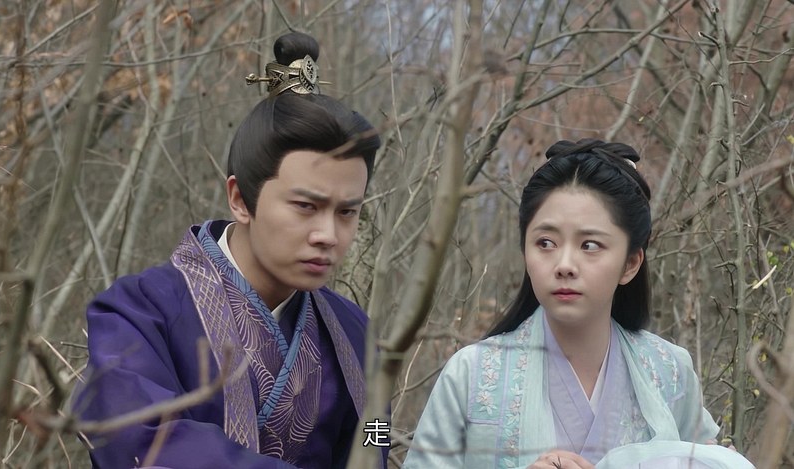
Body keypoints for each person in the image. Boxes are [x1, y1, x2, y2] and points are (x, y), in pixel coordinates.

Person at [72, 32, 382, 469]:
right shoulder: (139, 311)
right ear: (239, 199)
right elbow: (136, 435)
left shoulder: (353, 332)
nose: (328, 234)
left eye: (347, 212)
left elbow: (375, 432)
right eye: (305, 206)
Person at [402, 139, 754, 469]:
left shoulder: (669, 371)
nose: (564, 265)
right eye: (545, 243)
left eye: (590, 245)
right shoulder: (472, 375)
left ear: (631, 263)